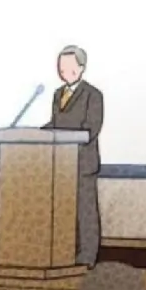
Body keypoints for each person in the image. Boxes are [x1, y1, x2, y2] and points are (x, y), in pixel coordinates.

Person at [43, 45, 104, 266]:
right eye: (60, 66)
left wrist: (66, 137)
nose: (62, 70)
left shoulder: (93, 95)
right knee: (64, 210)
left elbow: (91, 129)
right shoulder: (58, 94)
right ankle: (65, 254)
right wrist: (38, 134)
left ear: (81, 67)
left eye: (67, 66)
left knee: (85, 212)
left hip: (83, 163)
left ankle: (88, 256)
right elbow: (55, 123)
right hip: (60, 165)